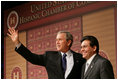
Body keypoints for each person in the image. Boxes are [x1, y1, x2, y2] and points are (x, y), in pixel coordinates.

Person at [7, 27, 85, 79]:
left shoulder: (80, 58)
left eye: (60, 39)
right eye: (56, 40)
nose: (57, 42)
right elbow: (32, 57)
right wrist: (17, 42)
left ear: (68, 42)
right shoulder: (49, 56)